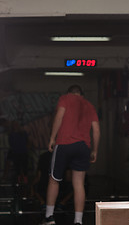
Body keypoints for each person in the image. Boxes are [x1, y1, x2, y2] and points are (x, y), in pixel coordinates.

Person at [41, 85, 100, 225]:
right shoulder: (89, 105)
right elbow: (96, 130)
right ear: (82, 94)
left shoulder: (65, 99)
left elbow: (59, 117)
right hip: (83, 146)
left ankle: (49, 217)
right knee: (79, 183)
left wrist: (52, 138)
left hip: (64, 144)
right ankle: (78, 221)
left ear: (69, 93)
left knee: (54, 180)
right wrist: (95, 150)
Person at [0, 118, 29, 184]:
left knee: (22, 166)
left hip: (21, 151)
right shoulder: (12, 134)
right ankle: (20, 179)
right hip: (16, 151)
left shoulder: (21, 133)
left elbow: (27, 141)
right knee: (18, 166)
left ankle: (23, 179)